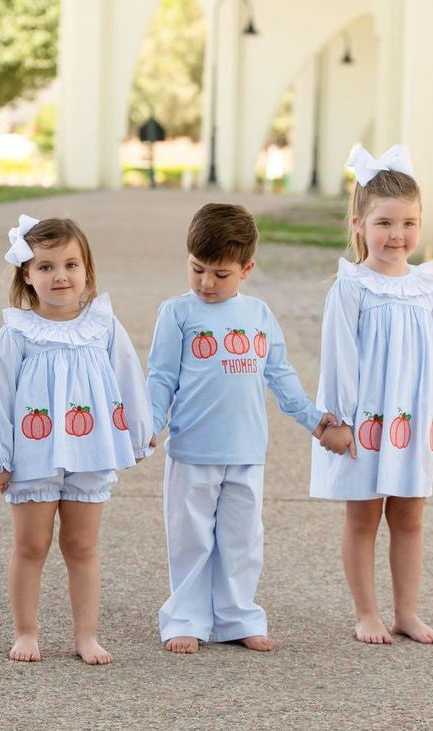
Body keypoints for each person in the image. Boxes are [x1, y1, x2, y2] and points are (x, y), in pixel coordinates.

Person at [147, 203, 336, 654]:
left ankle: (237, 615)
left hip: (248, 450)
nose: (207, 283)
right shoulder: (176, 313)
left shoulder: (259, 314)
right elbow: (160, 376)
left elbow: (280, 373)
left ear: (246, 269)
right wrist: (150, 424)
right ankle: (186, 618)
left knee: (241, 539)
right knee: (191, 539)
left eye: (220, 273)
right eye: (197, 270)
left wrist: (314, 420)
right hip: (193, 450)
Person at [0, 215, 154, 665]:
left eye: (70, 265)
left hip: (90, 449)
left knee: (81, 546)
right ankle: (25, 630)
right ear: (27, 274)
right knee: (31, 545)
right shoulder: (16, 334)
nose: (60, 276)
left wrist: (138, 433)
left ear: (86, 271)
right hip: (33, 454)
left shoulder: (102, 326)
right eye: (45, 267)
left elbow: (129, 379)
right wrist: (0, 457)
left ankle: (86, 635)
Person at [311, 144, 433, 645]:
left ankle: (407, 612)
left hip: (413, 415)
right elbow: (339, 356)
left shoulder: (427, 285)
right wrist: (340, 418)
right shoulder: (352, 286)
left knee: (410, 514)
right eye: (384, 223)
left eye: (408, 224)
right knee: (363, 515)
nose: (397, 236)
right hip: (366, 418)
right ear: (358, 223)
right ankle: (366, 612)